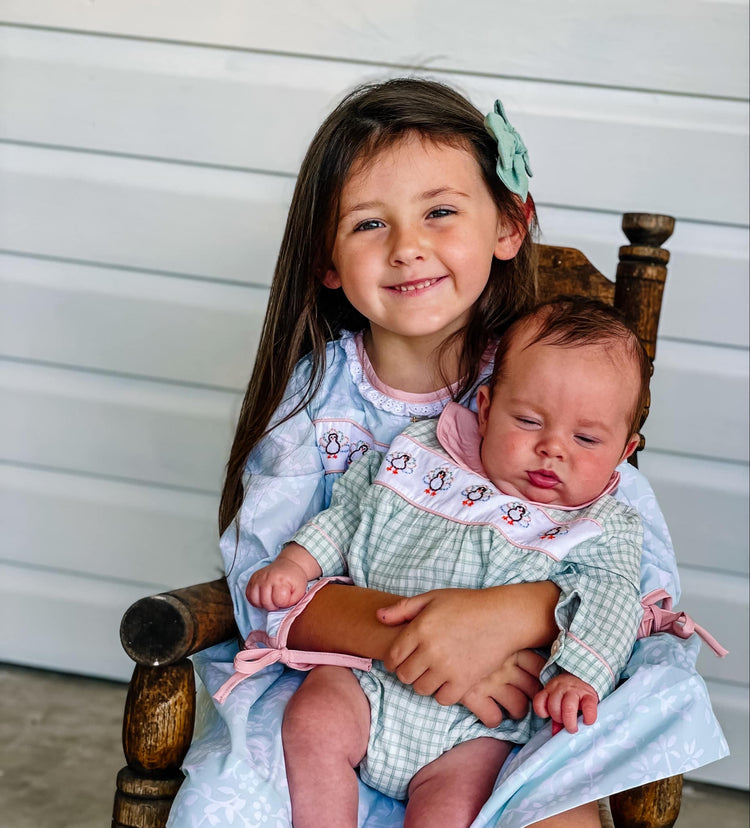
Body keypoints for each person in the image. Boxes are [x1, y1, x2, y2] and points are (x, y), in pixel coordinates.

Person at [166, 77, 727, 828]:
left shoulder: (554, 388)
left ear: (506, 224)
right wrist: (428, 642)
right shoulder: (314, 406)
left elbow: (637, 586)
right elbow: (264, 588)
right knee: (225, 807)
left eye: (438, 212)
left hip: (508, 713)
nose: (408, 248)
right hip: (338, 692)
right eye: (369, 224)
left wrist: (512, 615)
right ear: (326, 259)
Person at [239, 298, 648, 826]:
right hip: (370, 678)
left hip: (476, 728)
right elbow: (352, 516)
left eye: (587, 438)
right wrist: (296, 563)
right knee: (313, 720)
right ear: (485, 406)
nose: (552, 449)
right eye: (527, 420)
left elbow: (613, 601)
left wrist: (579, 675)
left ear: (623, 450)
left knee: (454, 809)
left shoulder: (603, 527)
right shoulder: (419, 454)